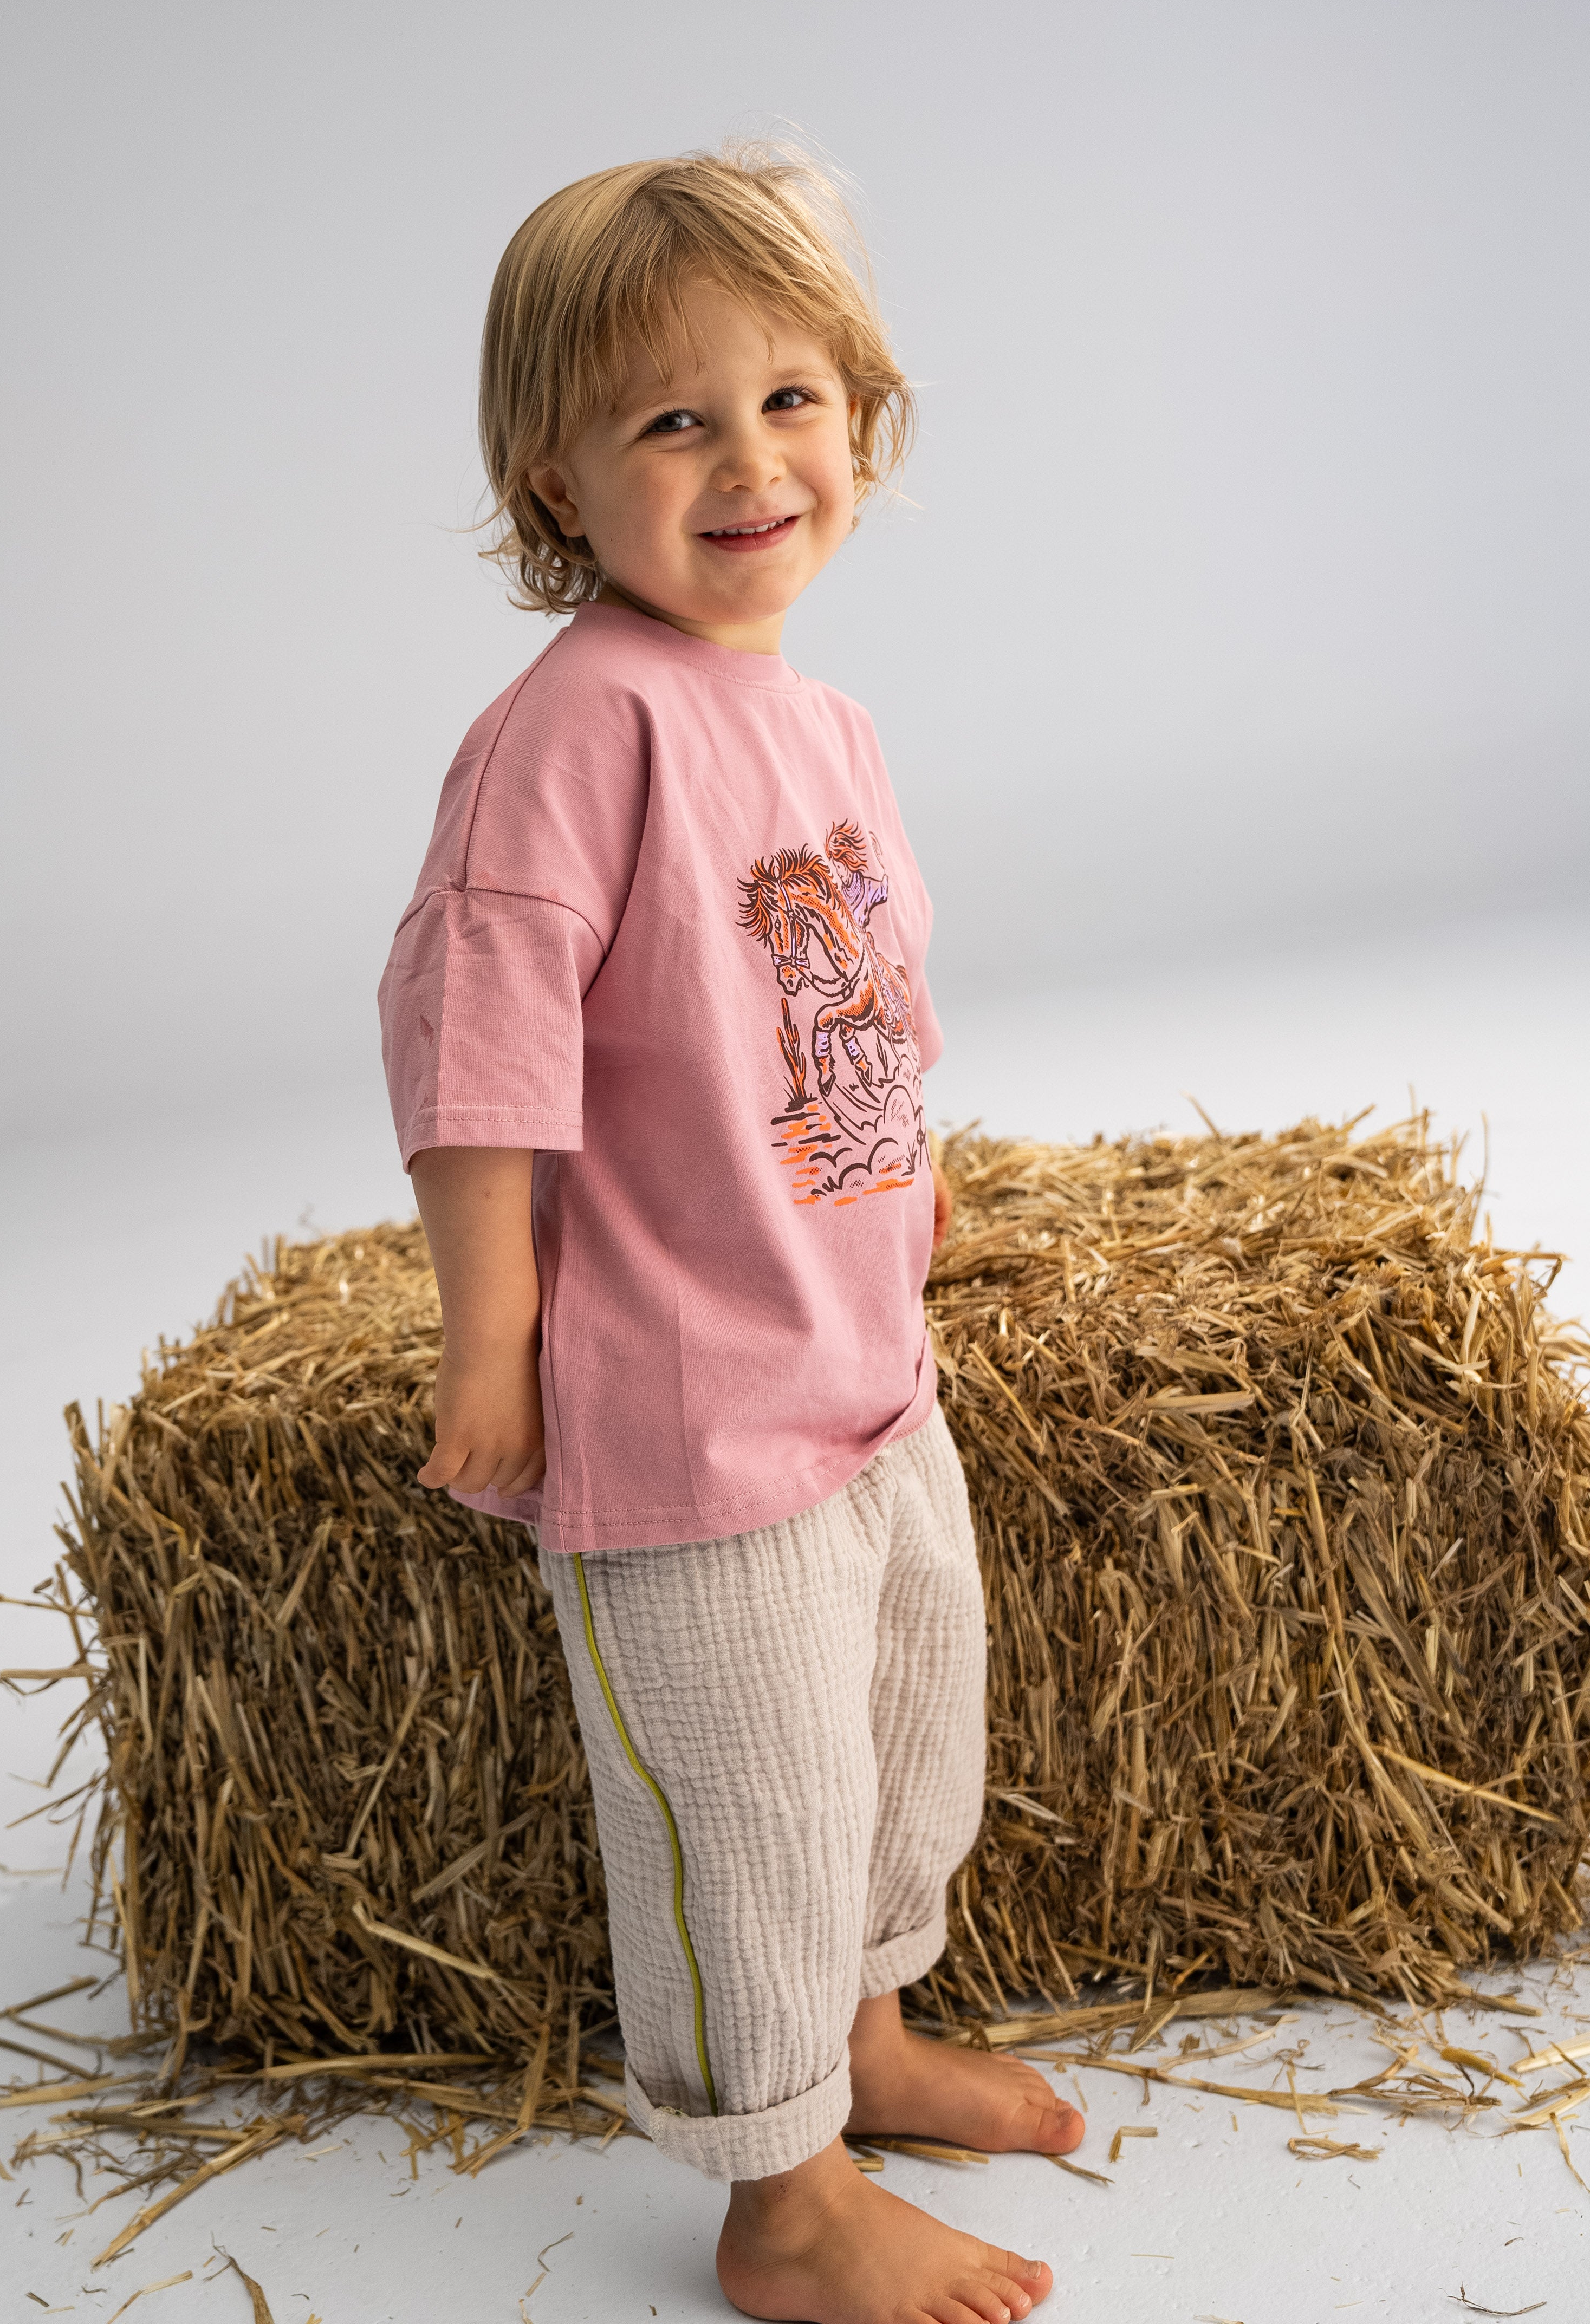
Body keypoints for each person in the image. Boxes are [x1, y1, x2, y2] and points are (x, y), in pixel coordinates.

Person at [378, 145, 1083, 2324]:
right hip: (687, 1416)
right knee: (747, 1805)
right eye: (674, 418)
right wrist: (492, 1341)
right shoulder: (572, 735)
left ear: (862, 418)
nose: (751, 457)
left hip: (860, 1373)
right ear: (558, 480)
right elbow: (477, 1047)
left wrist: (911, 1203)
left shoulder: (819, 718)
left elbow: (850, 1006)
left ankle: (862, 2043)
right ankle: (777, 2195)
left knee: (899, 1741)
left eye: (791, 396)